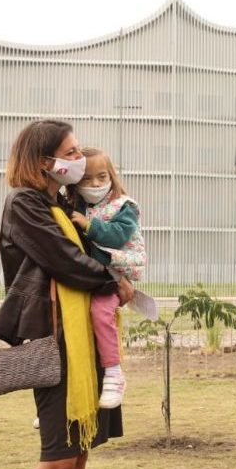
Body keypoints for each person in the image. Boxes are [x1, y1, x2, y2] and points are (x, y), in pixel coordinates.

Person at [0, 119, 134, 469]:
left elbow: (99, 246)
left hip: (85, 338)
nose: (78, 159)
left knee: (79, 453)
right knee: (58, 460)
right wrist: (111, 281)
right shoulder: (24, 203)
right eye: (70, 152)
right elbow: (65, 261)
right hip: (54, 339)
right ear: (42, 161)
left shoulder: (65, 204)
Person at [69, 146, 147, 409]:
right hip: (90, 278)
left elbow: (118, 236)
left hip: (115, 274)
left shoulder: (123, 206)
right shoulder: (74, 205)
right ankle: (62, 400)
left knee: (102, 314)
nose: (95, 184)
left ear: (111, 175)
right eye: (87, 179)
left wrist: (89, 226)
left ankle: (114, 374)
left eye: (101, 177)